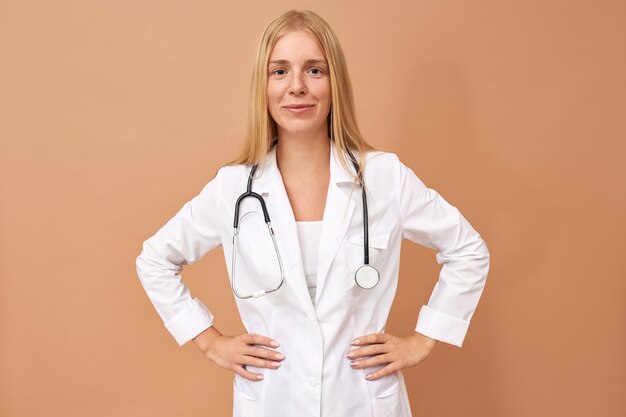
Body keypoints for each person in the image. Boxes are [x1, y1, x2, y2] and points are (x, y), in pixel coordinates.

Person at [135, 9, 490, 417]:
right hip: (272, 400)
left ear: (334, 82)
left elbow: (468, 250)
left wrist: (424, 338)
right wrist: (210, 340)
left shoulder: (383, 177)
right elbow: (155, 259)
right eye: (280, 71)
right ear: (263, 86)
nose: (297, 87)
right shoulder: (233, 189)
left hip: (363, 399)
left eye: (315, 70)